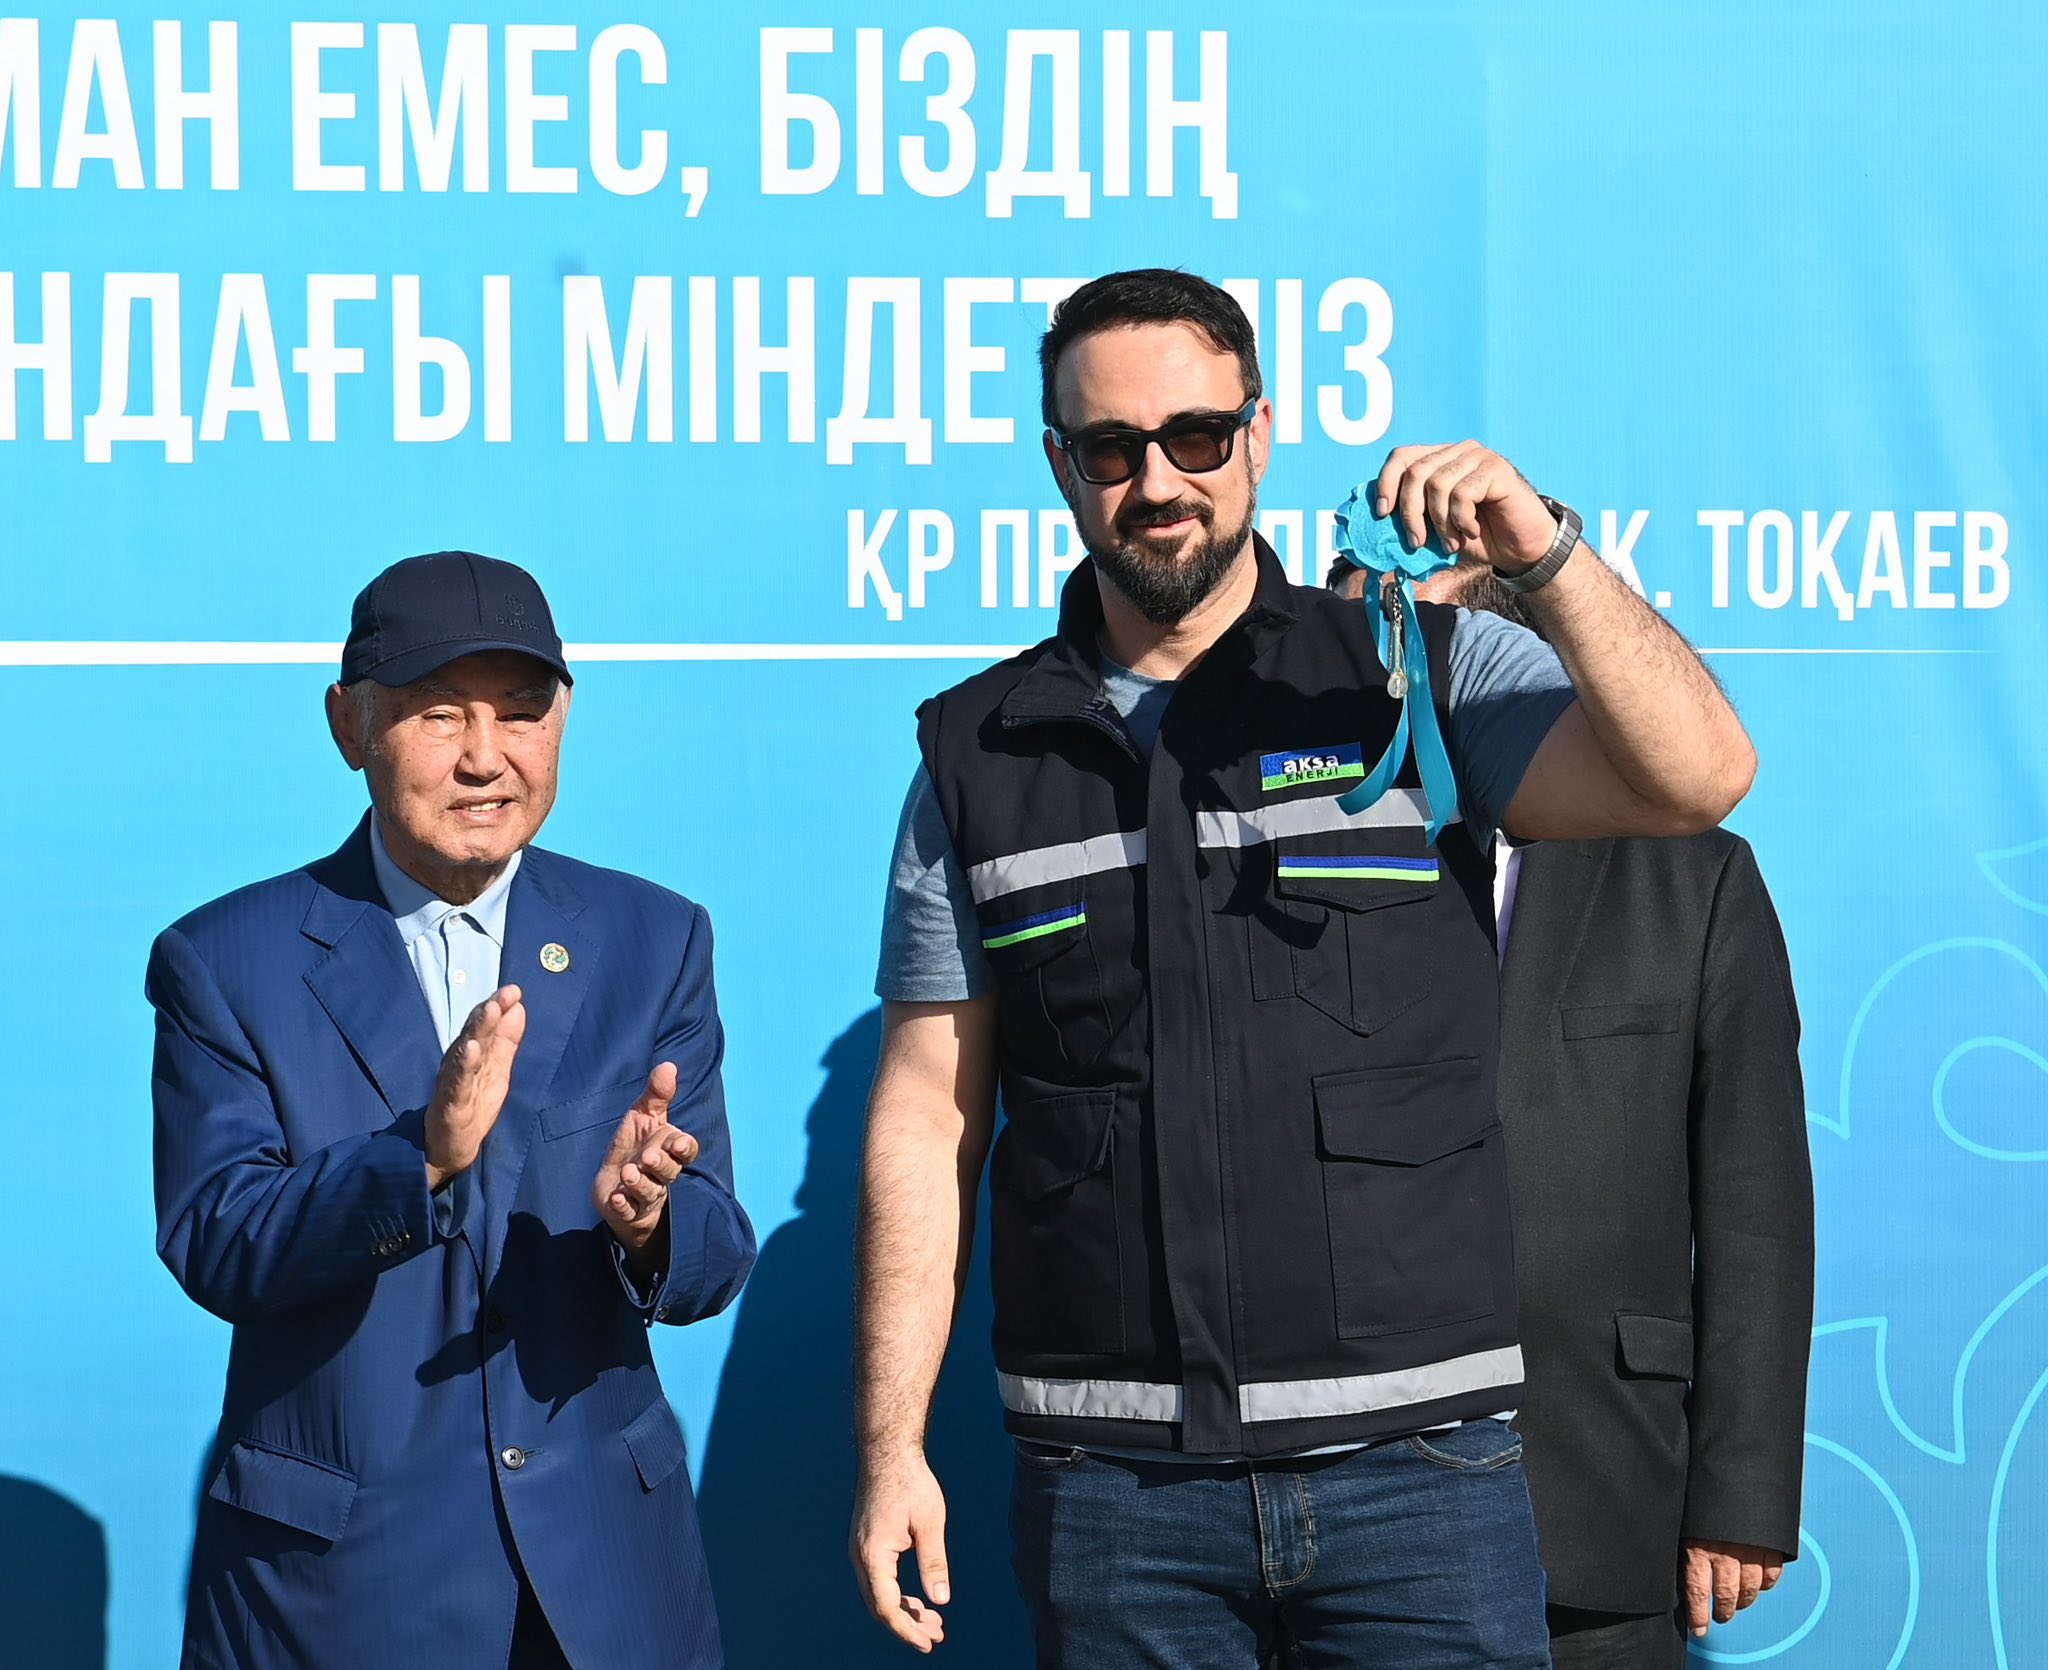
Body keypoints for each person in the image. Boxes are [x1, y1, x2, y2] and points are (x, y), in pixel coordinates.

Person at [848, 266, 1758, 1667]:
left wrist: (1546, 558)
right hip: (1116, 1498)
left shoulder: (1413, 675)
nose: (1158, 480)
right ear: (1059, 466)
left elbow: (1699, 776)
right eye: (1111, 447)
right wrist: (891, 1443)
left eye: (1195, 435)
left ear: (1259, 434)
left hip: (1418, 1483)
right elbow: (927, 1114)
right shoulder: (979, 755)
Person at [148, 551, 755, 1669]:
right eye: (440, 714)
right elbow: (217, 1238)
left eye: (520, 713)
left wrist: (652, 1222)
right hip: (344, 1593)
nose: (486, 756)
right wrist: (418, 1158)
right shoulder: (225, 960)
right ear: (350, 725)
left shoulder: (654, 937)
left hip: (607, 1582)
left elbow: (714, 1249)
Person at [1328, 555, 1813, 1667]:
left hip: (1599, 1486)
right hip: (1333, 1501)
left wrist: (1740, 1490)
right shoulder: (1296, 860)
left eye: (1409, 642)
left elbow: (1756, 1203)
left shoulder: (1690, 876)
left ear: (1506, 663)